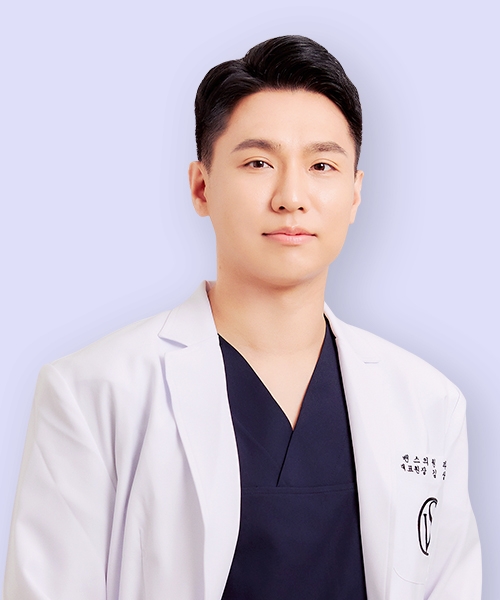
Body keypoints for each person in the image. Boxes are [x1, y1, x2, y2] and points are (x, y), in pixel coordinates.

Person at [3, 35, 481, 600]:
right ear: (201, 187)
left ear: (355, 193)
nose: (291, 196)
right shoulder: (92, 393)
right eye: (258, 162)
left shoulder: (428, 403)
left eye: (322, 165)